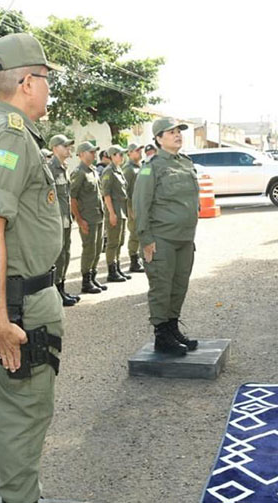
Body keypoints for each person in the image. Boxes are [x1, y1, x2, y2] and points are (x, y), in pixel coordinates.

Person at [0, 32, 65, 503]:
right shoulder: (10, 136)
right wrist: (1, 322)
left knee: (4, 402)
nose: (48, 90)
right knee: (25, 410)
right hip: (17, 300)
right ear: (26, 82)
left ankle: (8, 491)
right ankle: (20, 497)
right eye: (45, 79)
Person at [133, 117, 199, 356]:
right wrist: (146, 239)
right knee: (162, 286)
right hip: (161, 239)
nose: (177, 135)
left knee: (179, 286)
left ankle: (172, 327)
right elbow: (141, 205)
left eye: (178, 131)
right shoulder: (152, 166)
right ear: (159, 139)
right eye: (170, 132)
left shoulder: (186, 163)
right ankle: (162, 335)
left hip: (184, 238)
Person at [70, 141, 108, 294]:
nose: (93, 154)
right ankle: (86, 281)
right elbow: (72, 198)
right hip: (87, 217)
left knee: (97, 249)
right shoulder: (79, 172)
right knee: (89, 249)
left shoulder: (93, 170)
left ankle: (92, 277)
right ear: (82, 154)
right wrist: (79, 220)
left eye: (94, 152)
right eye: (91, 152)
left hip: (98, 215)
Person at [48, 134, 79, 307]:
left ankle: (61, 288)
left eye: (69, 146)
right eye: (64, 146)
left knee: (66, 254)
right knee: (57, 256)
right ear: (54, 148)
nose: (68, 149)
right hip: (56, 220)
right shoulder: (50, 168)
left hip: (65, 219)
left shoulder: (64, 167)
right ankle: (55, 292)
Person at [101, 145, 131, 282]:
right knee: (113, 242)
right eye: (119, 154)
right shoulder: (109, 171)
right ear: (112, 155)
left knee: (120, 241)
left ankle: (117, 267)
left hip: (121, 210)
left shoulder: (118, 170)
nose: (122, 157)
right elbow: (106, 195)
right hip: (114, 210)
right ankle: (111, 271)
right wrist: (111, 213)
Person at [123, 143, 145, 273]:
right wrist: (129, 209)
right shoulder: (128, 169)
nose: (139, 152)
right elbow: (125, 191)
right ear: (130, 153)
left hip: (141, 204)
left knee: (142, 231)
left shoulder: (141, 166)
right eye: (137, 151)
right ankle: (134, 260)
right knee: (135, 233)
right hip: (133, 205)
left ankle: (140, 257)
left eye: (140, 150)